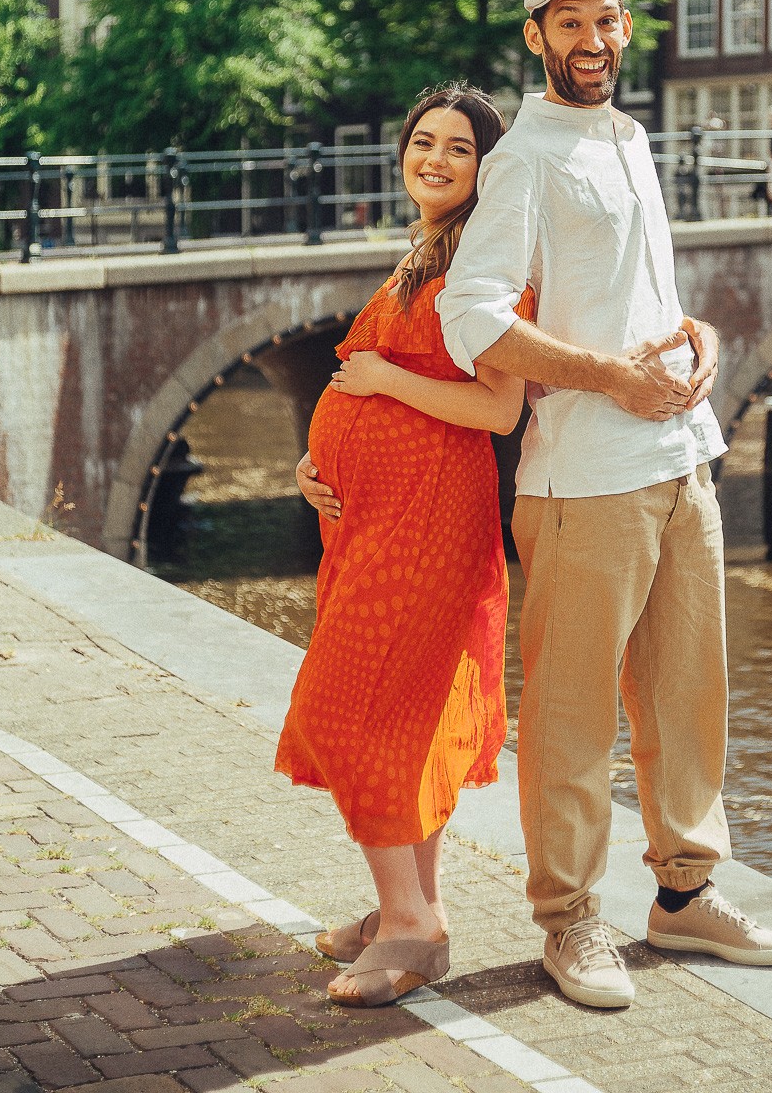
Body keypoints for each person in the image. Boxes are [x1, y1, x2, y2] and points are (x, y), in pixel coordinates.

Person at [434, 0, 772, 1009]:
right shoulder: (528, 156)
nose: (593, 41)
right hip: (584, 477)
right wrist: (604, 378)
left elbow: (639, 291)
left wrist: (704, 336)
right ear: (537, 37)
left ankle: (683, 897)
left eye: (609, 21)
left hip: (683, 460)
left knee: (690, 697)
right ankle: (569, 921)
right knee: (573, 713)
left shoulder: (632, 139)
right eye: (571, 24)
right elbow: (472, 314)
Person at [276, 85, 533, 1008]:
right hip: (374, 516)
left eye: (457, 149)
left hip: (428, 518)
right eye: (421, 141)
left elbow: (497, 407)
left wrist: (379, 379)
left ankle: (412, 924)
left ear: (485, 168)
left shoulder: (491, 262)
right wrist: (320, 464)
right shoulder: (427, 249)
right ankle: (409, 913)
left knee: (355, 708)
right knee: (410, 711)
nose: (433, 158)